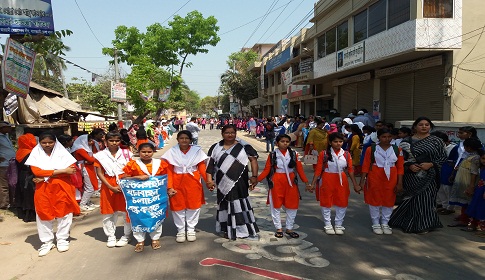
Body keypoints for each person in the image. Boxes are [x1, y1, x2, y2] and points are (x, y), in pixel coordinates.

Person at [389, 117, 447, 234]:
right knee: (412, 198)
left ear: (430, 126)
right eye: (421, 124)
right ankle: (407, 221)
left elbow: (443, 157)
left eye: (427, 124)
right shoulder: (406, 142)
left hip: (429, 175)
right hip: (411, 175)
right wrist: (409, 165)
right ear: (415, 127)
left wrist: (431, 164)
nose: (424, 127)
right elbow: (400, 159)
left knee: (426, 199)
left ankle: (424, 224)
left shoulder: (437, 141)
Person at [25, 132, 79, 257]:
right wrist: (61, 170)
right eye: (44, 142)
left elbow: (71, 170)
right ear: (39, 143)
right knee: (43, 214)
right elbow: (37, 171)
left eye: (50, 142)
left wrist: (46, 175)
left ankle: (62, 239)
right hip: (43, 189)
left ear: (55, 142)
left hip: (62, 187)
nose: (47, 145)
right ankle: (47, 242)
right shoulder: (35, 154)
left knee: (64, 213)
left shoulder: (63, 154)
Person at [206, 124, 259, 240]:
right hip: (222, 182)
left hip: (240, 181)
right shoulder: (216, 147)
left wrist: (255, 176)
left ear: (236, 133)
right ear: (222, 134)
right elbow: (210, 165)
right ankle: (227, 228)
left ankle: (242, 229)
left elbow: (253, 160)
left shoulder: (244, 146)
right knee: (225, 203)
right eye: (227, 133)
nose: (230, 135)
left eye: (232, 132)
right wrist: (209, 180)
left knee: (240, 203)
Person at [257, 134, 310, 238]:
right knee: (276, 205)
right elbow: (267, 170)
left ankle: (289, 228)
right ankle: (279, 228)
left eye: (287, 141)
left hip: (291, 181)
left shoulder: (294, 154)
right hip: (277, 181)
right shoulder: (273, 155)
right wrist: (256, 180)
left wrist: (306, 182)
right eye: (282, 141)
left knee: (292, 205)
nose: (285, 143)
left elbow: (299, 169)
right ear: (277, 143)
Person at [161, 130, 210, 243]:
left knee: (193, 206)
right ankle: (181, 230)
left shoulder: (196, 151)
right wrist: (169, 187)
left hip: (193, 181)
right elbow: (169, 171)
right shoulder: (171, 152)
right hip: (177, 181)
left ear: (190, 140)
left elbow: (202, 167)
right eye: (181, 138)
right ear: (177, 140)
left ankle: (191, 229)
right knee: (178, 207)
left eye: (186, 138)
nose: (184, 140)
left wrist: (208, 181)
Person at [122, 143, 170, 252]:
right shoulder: (132, 164)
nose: (146, 154)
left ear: (153, 152)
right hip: (138, 199)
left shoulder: (160, 164)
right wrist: (137, 177)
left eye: (149, 152)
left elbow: (166, 178)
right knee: (138, 217)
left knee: (155, 216)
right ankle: (140, 240)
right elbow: (124, 177)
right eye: (143, 152)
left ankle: (155, 238)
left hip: (155, 197)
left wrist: (169, 189)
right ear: (138, 152)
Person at [307, 132, 359, 235]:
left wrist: (355, 184)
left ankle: (339, 224)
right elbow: (318, 170)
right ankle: (328, 224)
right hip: (327, 178)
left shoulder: (346, 154)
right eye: (335, 142)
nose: (338, 144)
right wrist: (312, 184)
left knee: (342, 202)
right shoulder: (324, 154)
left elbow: (350, 170)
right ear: (330, 142)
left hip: (342, 180)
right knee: (326, 202)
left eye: (340, 141)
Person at [359, 128, 404, 235]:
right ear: (378, 137)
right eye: (383, 136)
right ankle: (375, 222)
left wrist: (400, 182)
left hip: (391, 177)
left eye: (389, 137)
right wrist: (362, 180)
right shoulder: (372, 149)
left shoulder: (397, 149)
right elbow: (365, 166)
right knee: (374, 199)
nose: (386, 139)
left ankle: (385, 222)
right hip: (375, 175)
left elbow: (400, 167)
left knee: (389, 200)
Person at [94, 132, 133, 248]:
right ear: (106, 141)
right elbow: (99, 173)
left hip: (124, 183)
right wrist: (110, 187)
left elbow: (131, 169)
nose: (114, 143)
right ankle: (111, 235)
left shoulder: (127, 153)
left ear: (120, 141)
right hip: (108, 184)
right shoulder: (100, 155)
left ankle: (127, 235)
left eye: (117, 140)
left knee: (127, 210)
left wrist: (122, 184)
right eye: (111, 140)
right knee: (108, 212)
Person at [448, 138, 483, 227]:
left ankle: (465, 220)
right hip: (463, 180)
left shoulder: (475, 158)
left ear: (469, 148)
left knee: (467, 201)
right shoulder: (471, 155)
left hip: (467, 182)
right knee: (464, 201)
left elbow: (474, 172)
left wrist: (471, 186)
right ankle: (464, 218)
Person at [431, 131, 457, 215]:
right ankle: (444, 205)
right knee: (440, 189)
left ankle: (450, 208)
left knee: (447, 189)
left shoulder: (454, 148)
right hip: (440, 170)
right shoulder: (437, 148)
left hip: (448, 170)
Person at [71, 134, 99, 212]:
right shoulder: (80, 149)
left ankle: (87, 202)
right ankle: (83, 204)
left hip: (89, 167)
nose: (92, 142)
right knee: (89, 187)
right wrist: (93, 158)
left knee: (90, 185)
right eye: (89, 141)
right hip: (85, 168)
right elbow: (91, 159)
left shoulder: (87, 148)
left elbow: (95, 154)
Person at [14, 133, 37, 222]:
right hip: (29, 176)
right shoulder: (30, 153)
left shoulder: (20, 151)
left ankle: (23, 213)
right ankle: (30, 215)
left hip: (22, 175)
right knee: (30, 195)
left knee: (23, 194)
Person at [465, 150, 485, 233]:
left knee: (482, 208)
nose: (484, 161)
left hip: (483, 191)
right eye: (483, 158)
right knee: (476, 205)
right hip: (479, 190)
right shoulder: (482, 168)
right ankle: (474, 224)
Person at [0, 121, 15, 210]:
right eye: (8, 127)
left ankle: (10, 202)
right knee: (4, 185)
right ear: (2, 128)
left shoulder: (6, 136)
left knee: (11, 183)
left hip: (10, 164)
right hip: (3, 164)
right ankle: (3, 204)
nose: (10, 129)